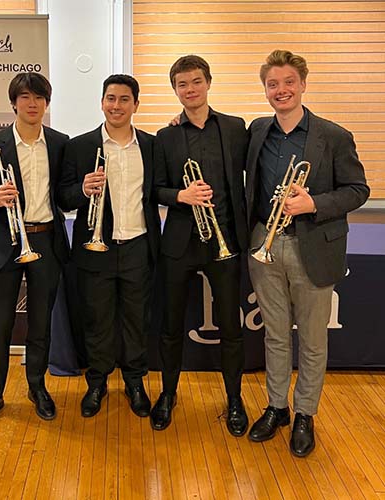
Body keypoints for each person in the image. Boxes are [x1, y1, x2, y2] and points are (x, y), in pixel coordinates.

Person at [246, 50, 370, 456]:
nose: (280, 90)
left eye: (287, 82)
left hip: (312, 243)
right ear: (265, 89)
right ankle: (277, 407)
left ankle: (305, 414)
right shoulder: (257, 130)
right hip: (265, 241)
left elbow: (357, 190)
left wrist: (313, 203)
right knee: (276, 336)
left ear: (302, 84)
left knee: (313, 340)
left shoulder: (333, 136)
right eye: (272, 84)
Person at [151, 55, 249, 435]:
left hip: (224, 241)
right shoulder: (166, 136)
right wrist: (181, 195)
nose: (190, 90)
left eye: (196, 82)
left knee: (231, 327)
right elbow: (156, 189)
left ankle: (235, 399)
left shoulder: (236, 127)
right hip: (180, 242)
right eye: (182, 84)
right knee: (171, 325)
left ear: (208, 82)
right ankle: (168, 393)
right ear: (174, 89)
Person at [0, 72, 70, 432]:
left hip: (45, 241)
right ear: (14, 102)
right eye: (25, 97)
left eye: (39, 97)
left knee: (41, 323)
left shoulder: (60, 143)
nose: (32, 103)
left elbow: (63, 195)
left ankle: (37, 387)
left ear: (47, 102)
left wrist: (85, 190)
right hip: (5, 242)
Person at [58, 74, 160, 418]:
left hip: (137, 246)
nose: (116, 106)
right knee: (98, 321)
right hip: (95, 250)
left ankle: (134, 382)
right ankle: (97, 382)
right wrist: (81, 190)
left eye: (124, 99)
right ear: (102, 102)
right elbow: (63, 197)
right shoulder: (80, 146)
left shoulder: (151, 145)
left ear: (135, 105)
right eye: (110, 98)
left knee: (136, 320)